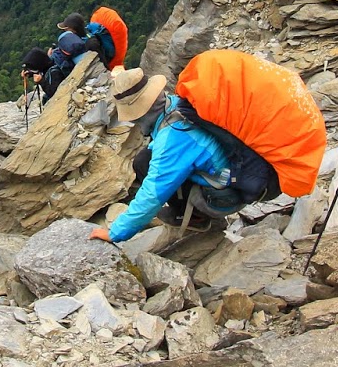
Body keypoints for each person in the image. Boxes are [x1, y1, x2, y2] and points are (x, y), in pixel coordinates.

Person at [88, 67, 236, 243]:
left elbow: (153, 193)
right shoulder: (175, 104)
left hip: (225, 196)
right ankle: (192, 208)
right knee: (144, 160)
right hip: (231, 174)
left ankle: (196, 218)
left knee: (150, 168)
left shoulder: (173, 137)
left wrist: (115, 233)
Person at [35, 12, 90, 100]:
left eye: (66, 29)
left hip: (64, 92)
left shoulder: (65, 57)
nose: (64, 31)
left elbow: (54, 94)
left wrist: (41, 81)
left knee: (46, 98)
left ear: (72, 30)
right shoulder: (86, 41)